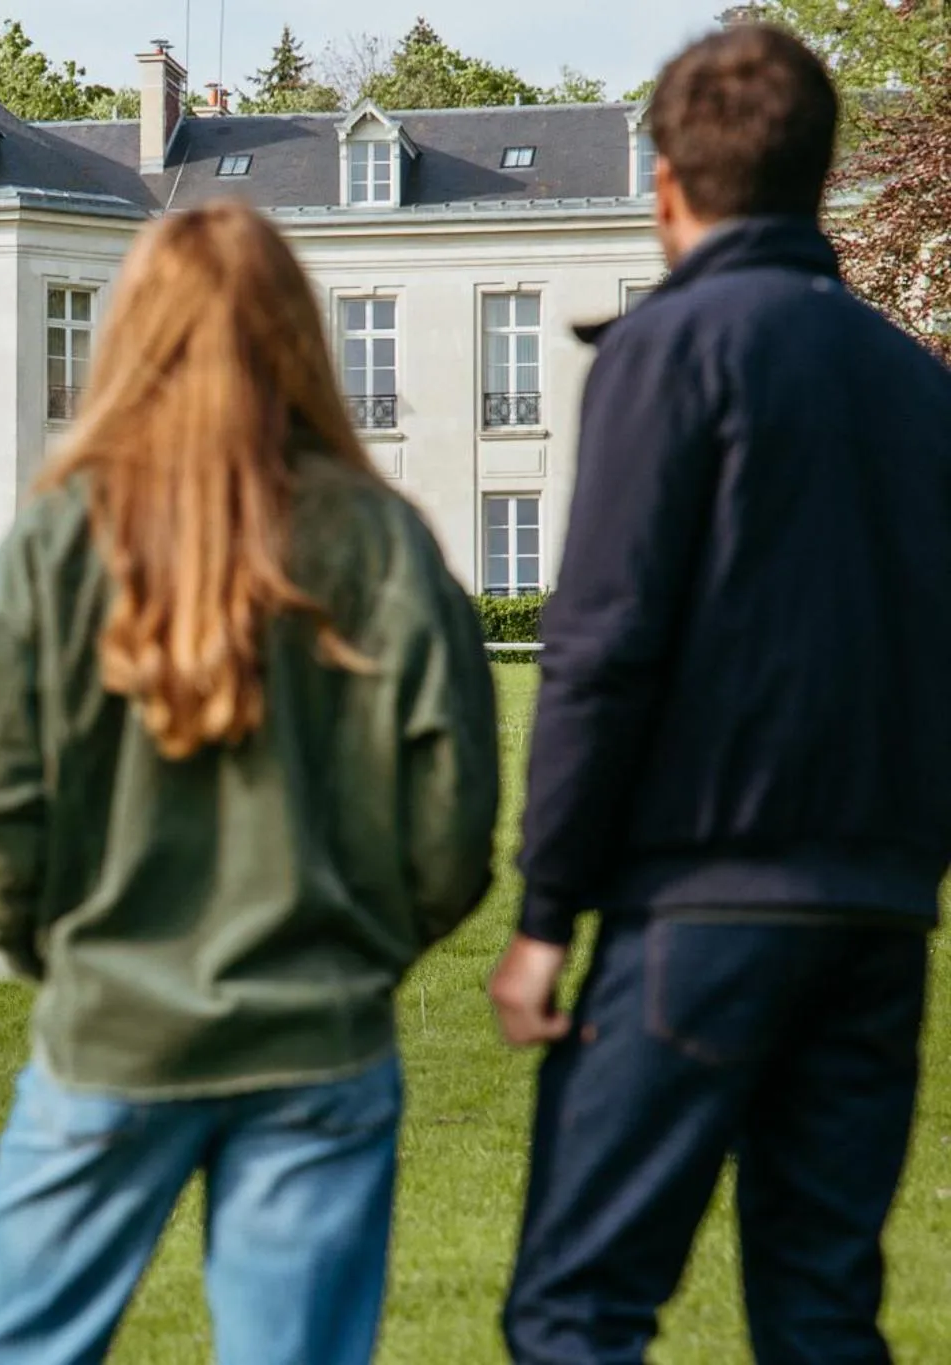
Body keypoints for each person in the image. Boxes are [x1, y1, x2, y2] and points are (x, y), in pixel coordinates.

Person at [0, 200, 500, 1365]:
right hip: (315, 1038)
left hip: (109, 1030)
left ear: (130, 332)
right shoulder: (382, 541)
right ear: (297, 333)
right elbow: (451, 821)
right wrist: (359, 951)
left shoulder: (55, 539)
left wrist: (48, 953)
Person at [490, 24, 951, 1364]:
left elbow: (604, 643)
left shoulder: (671, 349)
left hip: (702, 898)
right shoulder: (917, 385)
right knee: (821, 1310)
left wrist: (543, 913)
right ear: (818, 181)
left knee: (578, 1305)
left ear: (664, 185)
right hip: (874, 910)